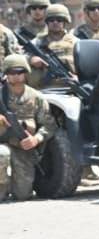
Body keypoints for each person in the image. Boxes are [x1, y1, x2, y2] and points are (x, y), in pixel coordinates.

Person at [0, 55, 55, 200]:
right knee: (2, 153)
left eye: (20, 71)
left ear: (26, 72)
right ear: (6, 73)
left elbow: (49, 125)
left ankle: (12, 187)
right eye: (12, 72)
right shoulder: (1, 94)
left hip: (21, 146)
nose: (16, 76)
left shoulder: (36, 97)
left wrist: (36, 140)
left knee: (23, 194)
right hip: (1, 144)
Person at [30, 5, 77, 88]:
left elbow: (85, 67)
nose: (55, 22)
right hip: (43, 89)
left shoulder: (76, 42)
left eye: (59, 20)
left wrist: (78, 78)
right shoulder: (37, 41)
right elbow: (21, 58)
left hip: (70, 88)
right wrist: (30, 59)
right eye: (51, 20)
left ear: (65, 22)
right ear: (47, 22)